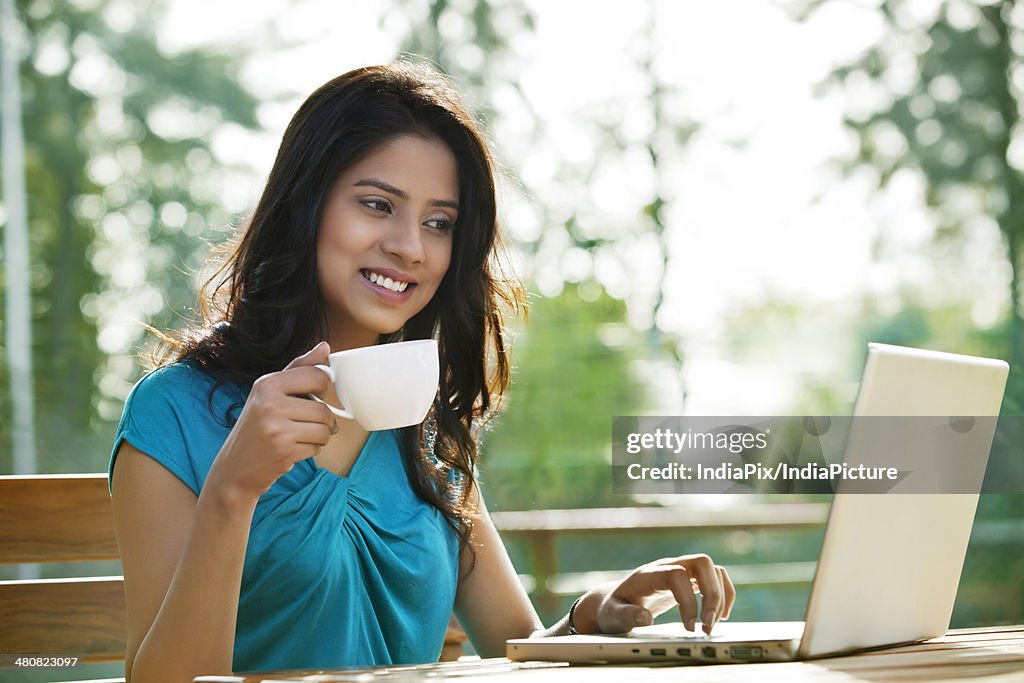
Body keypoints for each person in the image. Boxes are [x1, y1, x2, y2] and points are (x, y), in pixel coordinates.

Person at [109, 61, 736, 682]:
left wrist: (591, 621)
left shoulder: (426, 431)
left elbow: (517, 650)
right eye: (378, 205)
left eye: (439, 222)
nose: (411, 246)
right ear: (305, 206)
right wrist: (233, 490)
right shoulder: (174, 412)